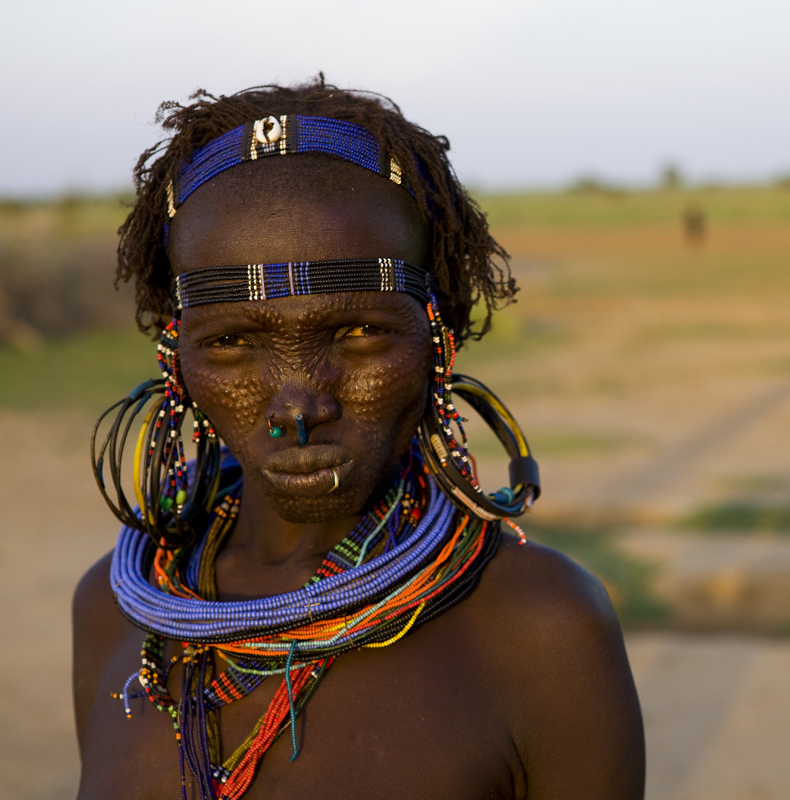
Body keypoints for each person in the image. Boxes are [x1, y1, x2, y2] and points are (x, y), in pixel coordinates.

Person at [72, 77, 645, 800]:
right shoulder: (113, 607)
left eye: (360, 334)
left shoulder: (540, 631)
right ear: (174, 352)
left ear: (440, 331)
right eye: (233, 343)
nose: (298, 404)